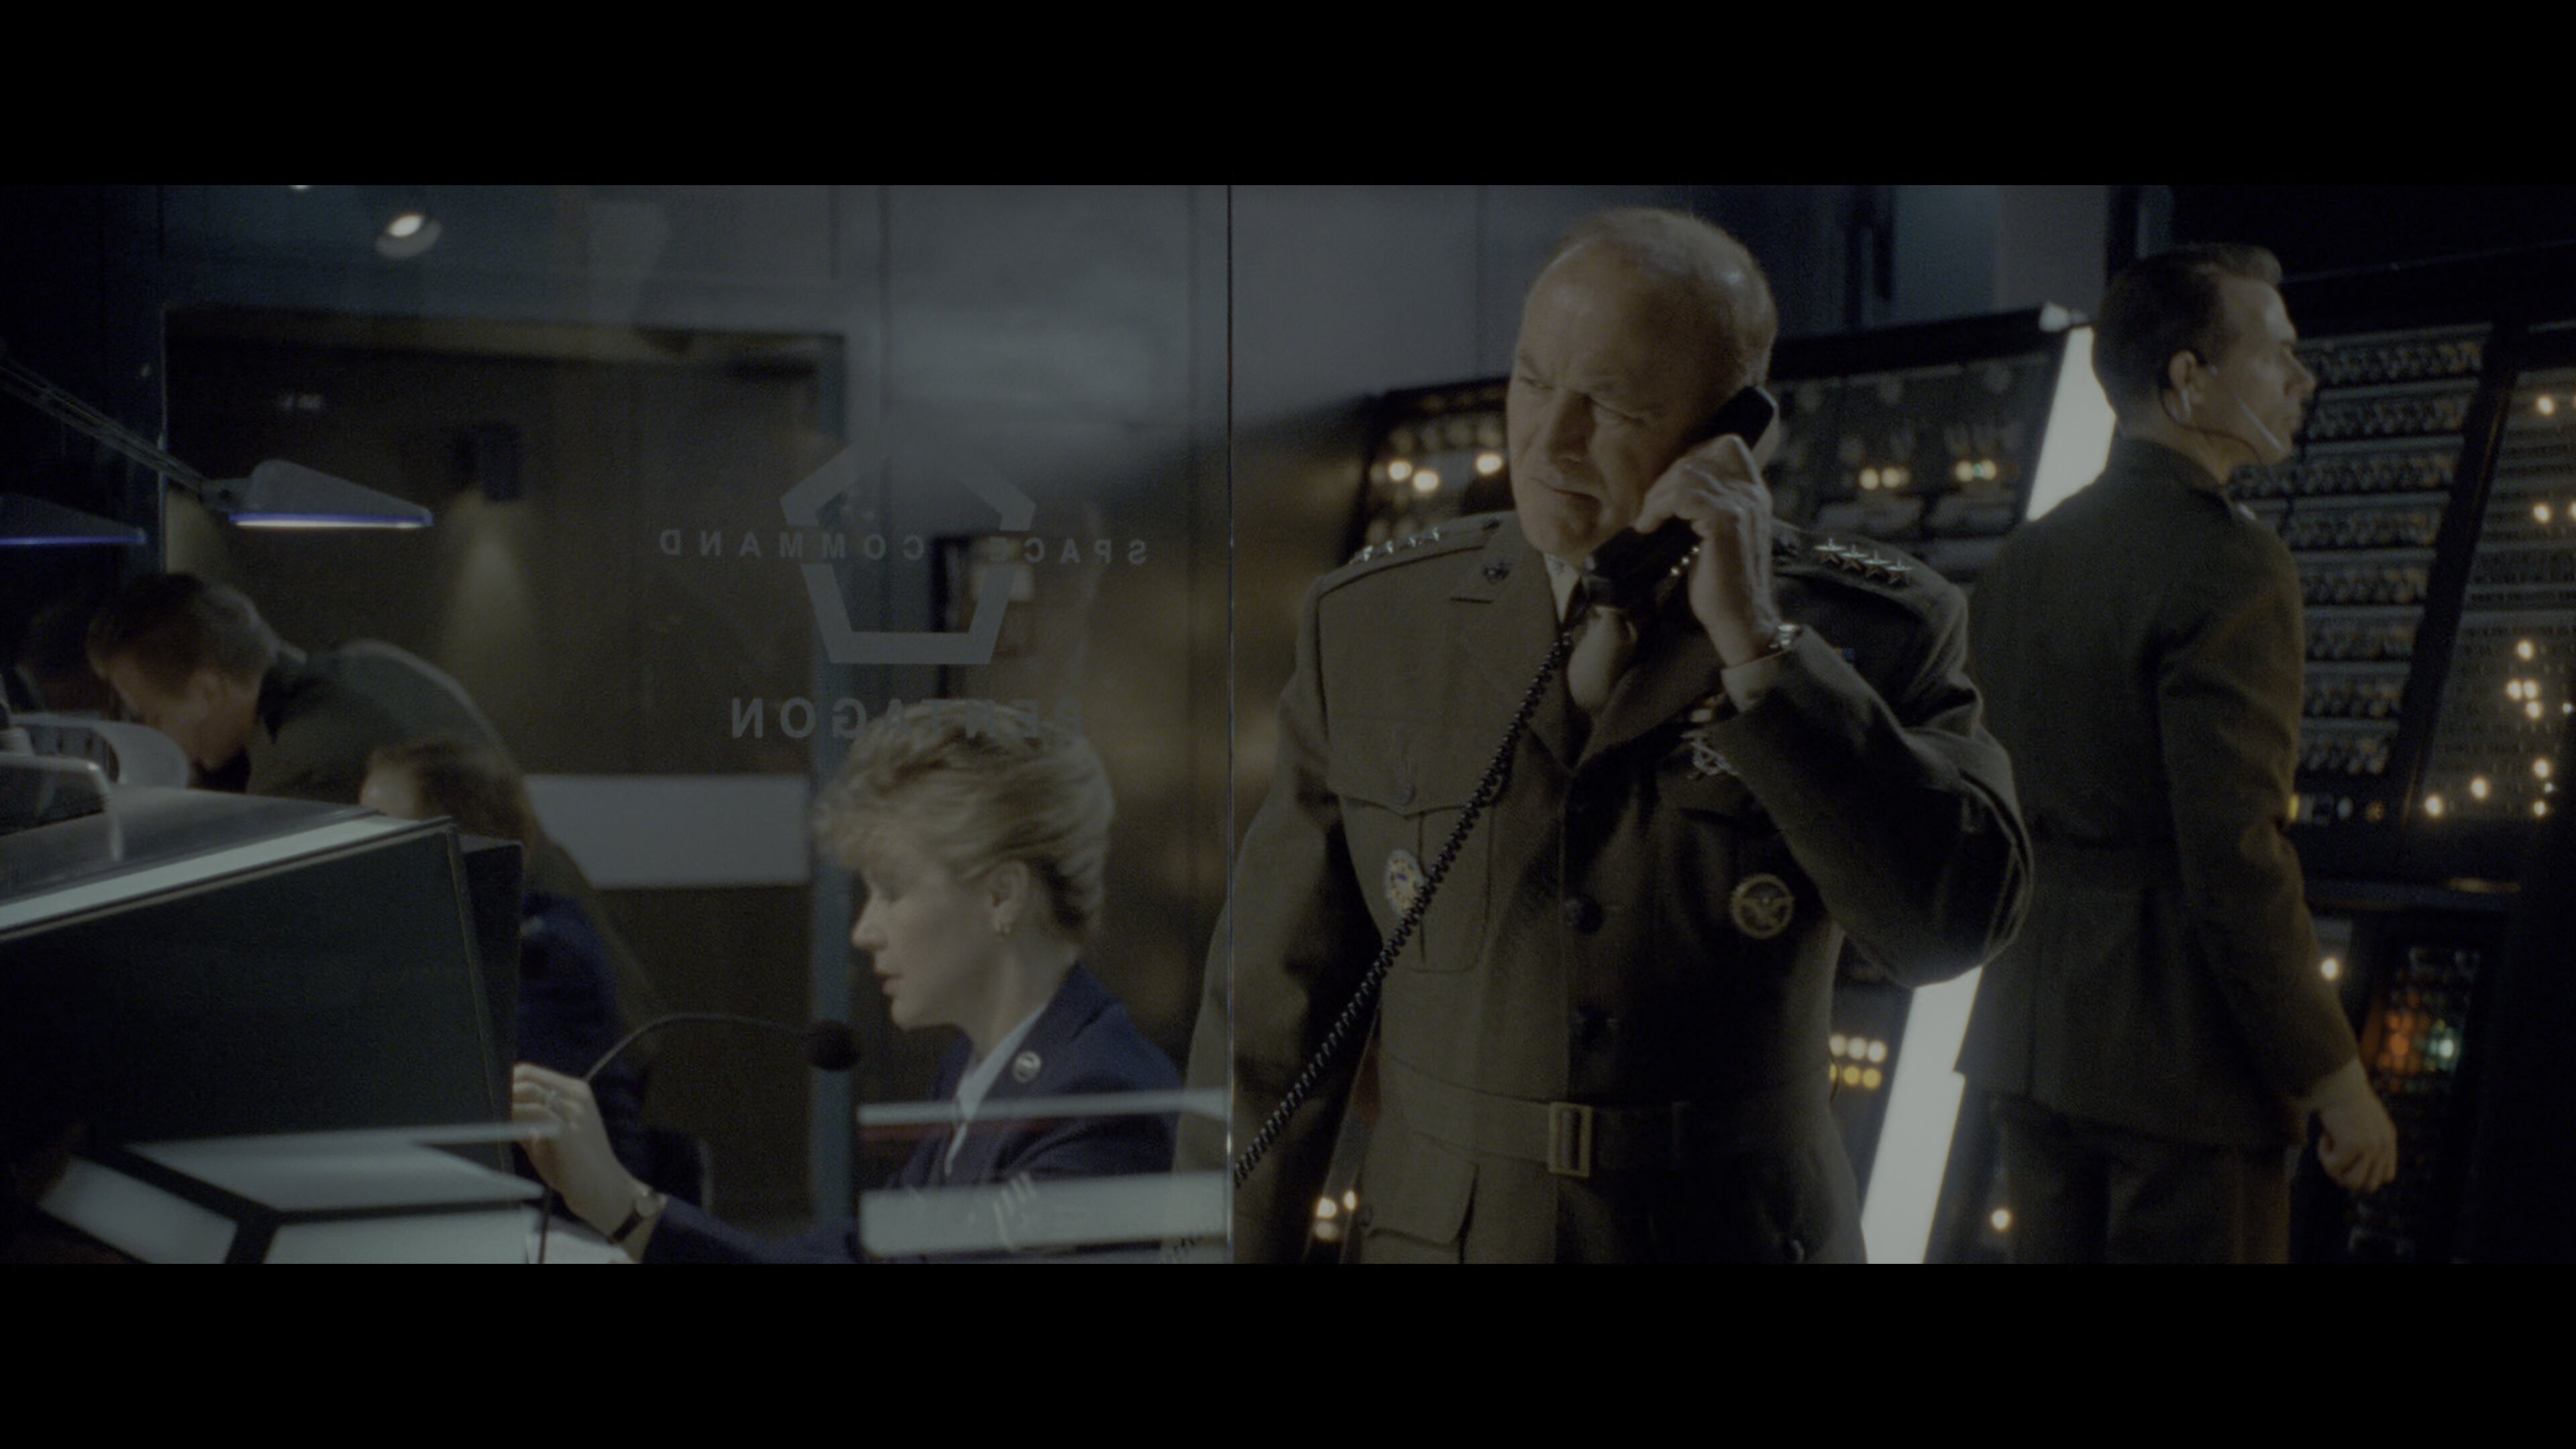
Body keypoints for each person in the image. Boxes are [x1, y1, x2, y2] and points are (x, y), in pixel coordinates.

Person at [1179, 209, 2031, 1263]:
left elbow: (1948, 929)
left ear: (1734, 430)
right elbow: (1272, 1015)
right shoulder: (1372, 624)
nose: (1548, 441)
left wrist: (1762, 653)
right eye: (1532, 382)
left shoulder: (1880, 629)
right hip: (1444, 1238)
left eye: (1614, 404)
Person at [1955, 244, 2400, 1263]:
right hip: (2182, 1070)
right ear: (2189, 379)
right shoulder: (2230, 561)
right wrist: (2335, 1078)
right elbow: (2235, 861)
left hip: (2029, 1042)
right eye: (2277, 354)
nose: (2302, 379)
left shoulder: (2029, 555)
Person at [513, 699, 1179, 1263]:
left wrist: (623, 1206)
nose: (865, 931)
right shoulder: (980, 1068)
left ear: (1002, 895)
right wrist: (623, 1206)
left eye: (892, 890)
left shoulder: (1100, 1106)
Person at [80, 572, 666, 1039]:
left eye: (153, 717)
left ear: (208, 689)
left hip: (547, 1019)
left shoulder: (304, 765)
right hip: (582, 981)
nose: (157, 739)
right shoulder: (360, 668)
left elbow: (302, 957)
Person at [359, 737, 651, 1182]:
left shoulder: (549, 958)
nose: (360, 853)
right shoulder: (431, 945)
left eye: (381, 834)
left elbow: (452, 1104)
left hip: (563, 1216)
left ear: (461, 845)